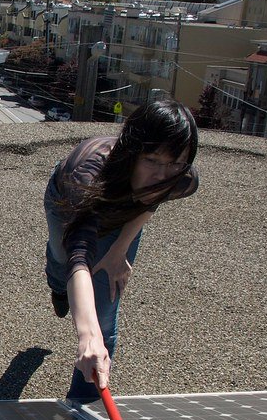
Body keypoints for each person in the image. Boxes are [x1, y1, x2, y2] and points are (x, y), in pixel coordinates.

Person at [44, 99, 199, 404]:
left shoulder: (181, 178)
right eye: (152, 160)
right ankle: (58, 286)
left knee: (104, 314)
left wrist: (120, 247)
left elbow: (154, 199)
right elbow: (80, 253)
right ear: (131, 152)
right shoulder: (87, 175)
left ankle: (84, 406)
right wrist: (85, 337)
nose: (162, 175)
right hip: (73, 201)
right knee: (64, 259)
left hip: (123, 214)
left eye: (174, 163)